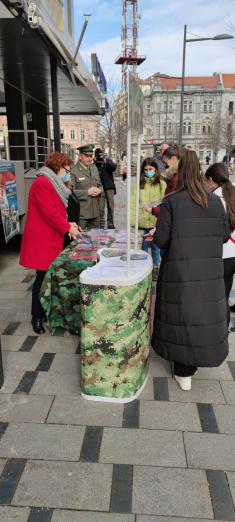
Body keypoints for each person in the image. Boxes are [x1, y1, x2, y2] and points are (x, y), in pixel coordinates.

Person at [151, 150, 230, 391]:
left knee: (181, 317)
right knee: (200, 317)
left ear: (179, 171)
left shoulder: (173, 201)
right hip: (208, 271)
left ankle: (184, 371)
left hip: (179, 271)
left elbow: (160, 240)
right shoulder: (215, 201)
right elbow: (225, 235)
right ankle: (192, 366)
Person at [20, 152, 79, 334]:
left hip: (53, 236)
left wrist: (68, 223)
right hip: (43, 239)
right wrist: (67, 227)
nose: (68, 172)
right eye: (66, 168)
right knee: (41, 278)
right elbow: (49, 213)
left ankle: (47, 311)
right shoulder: (42, 183)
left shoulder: (52, 182)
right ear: (58, 166)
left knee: (49, 277)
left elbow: (57, 211)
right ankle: (36, 316)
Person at [205, 162, 235, 325]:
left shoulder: (214, 198)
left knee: (220, 295)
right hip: (233, 253)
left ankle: (220, 329)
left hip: (223, 254)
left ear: (210, 179)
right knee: (226, 292)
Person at [130, 157, 166, 280]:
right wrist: (133, 222)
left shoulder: (162, 185)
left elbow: (165, 205)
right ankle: (142, 272)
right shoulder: (138, 185)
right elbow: (133, 204)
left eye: (150, 169)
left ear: (156, 169)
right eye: (145, 169)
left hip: (155, 223)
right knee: (142, 248)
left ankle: (156, 270)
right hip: (141, 222)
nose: (148, 171)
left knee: (156, 248)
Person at [71, 144, 102, 229]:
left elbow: (100, 185)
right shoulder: (73, 171)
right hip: (82, 214)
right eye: (87, 156)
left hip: (95, 213)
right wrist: (87, 192)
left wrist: (99, 190)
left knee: (96, 239)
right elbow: (70, 192)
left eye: (91, 156)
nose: (90, 158)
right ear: (80, 156)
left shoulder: (94, 168)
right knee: (80, 240)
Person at [94, 148, 117, 228]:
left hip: (109, 187)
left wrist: (105, 160)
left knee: (111, 207)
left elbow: (114, 167)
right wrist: (95, 161)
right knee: (101, 208)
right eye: (99, 155)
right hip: (99, 187)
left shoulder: (107, 161)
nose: (100, 156)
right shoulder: (95, 163)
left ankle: (110, 224)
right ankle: (101, 224)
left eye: (101, 154)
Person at [63, 172, 80, 248]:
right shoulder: (60, 190)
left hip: (73, 227)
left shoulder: (69, 187)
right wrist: (68, 226)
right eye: (66, 172)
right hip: (66, 231)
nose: (69, 174)